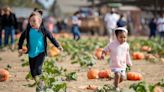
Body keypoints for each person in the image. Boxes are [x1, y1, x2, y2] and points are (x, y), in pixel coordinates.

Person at [18, 11, 63, 90]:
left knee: (38, 69)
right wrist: (20, 48)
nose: (32, 23)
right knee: (32, 72)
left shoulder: (43, 30)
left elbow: (51, 38)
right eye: (30, 21)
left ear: (40, 21)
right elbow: (21, 38)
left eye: (34, 21)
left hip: (41, 52)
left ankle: (41, 84)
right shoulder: (28, 30)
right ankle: (38, 82)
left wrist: (58, 45)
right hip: (31, 53)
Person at [101, 27, 132, 92]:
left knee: (122, 78)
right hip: (115, 64)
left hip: (123, 64)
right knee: (117, 74)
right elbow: (105, 49)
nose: (123, 39)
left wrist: (129, 62)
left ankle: (115, 83)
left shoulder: (126, 45)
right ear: (116, 37)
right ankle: (116, 87)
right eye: (121, 37)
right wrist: (103, 54)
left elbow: (127, 54)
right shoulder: (112, 44)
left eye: (124, 37)